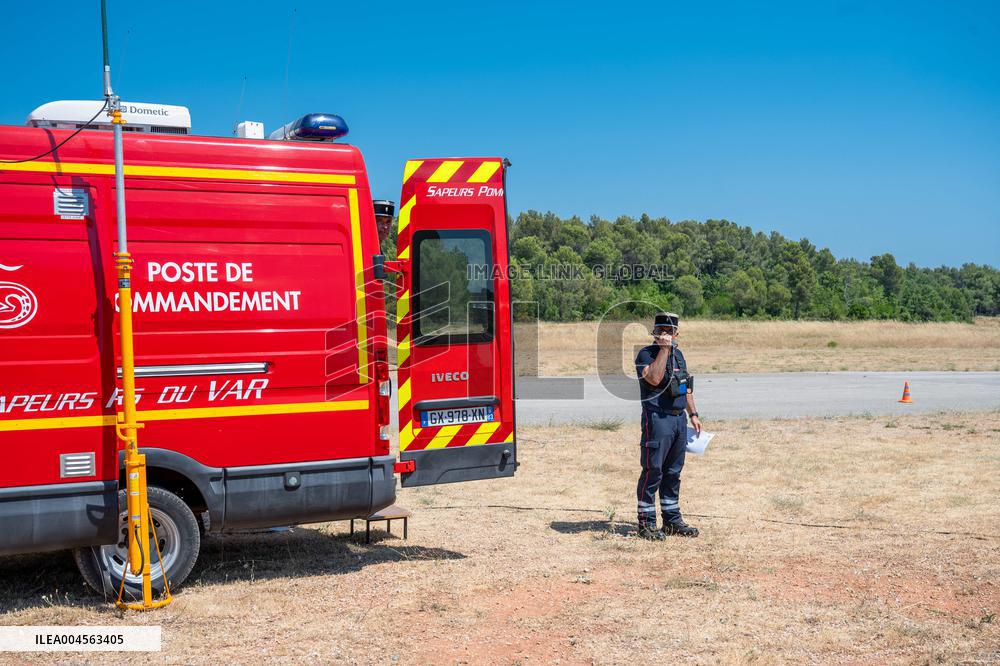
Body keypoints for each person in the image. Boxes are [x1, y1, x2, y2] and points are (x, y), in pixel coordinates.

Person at [634, 312, 703, 540]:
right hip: (657, 418)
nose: (665, 334)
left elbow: (685, 386)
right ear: (654, 332)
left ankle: (672, 520)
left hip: (678, 420)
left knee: (673, 472)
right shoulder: (646, 354)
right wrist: (663, 350)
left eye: (669, 331)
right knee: (653, 470)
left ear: (676, 333)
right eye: (661, 330)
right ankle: (646, 523)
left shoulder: (679, 355)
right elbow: (653, 379)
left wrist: (692, 413)